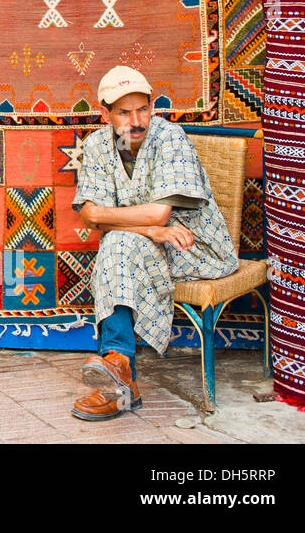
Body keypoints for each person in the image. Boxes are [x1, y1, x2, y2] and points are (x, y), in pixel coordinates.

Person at [70, 65, 238, 421]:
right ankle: (119, 370)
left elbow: (159, 216)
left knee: (117, 245)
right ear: (106, 114)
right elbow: (87, 215)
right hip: (146, 246)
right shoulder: (99, 144)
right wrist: (148, 230)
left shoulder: (170, 137)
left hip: (194, 248)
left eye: (143, 108)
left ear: (152, 107)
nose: (136, 120)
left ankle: (117, 370)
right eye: (124, 112)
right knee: (119, 246)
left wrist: (146, 226)